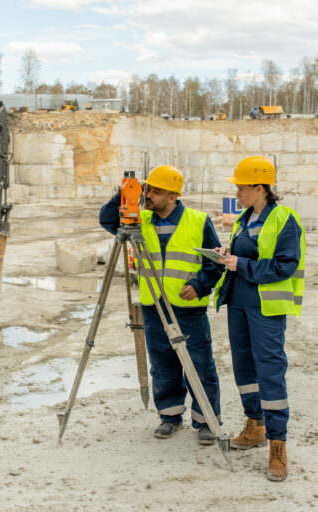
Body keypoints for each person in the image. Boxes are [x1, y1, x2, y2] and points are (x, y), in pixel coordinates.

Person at [99, 165, 223, 445]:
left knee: (200, 366)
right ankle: (170, 417)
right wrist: (125, 192)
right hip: (153, 307)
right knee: (163, 365)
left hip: (188, 309)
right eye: (148, 189)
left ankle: (205, 421)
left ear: (173, 195)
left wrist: (200, 285)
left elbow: (215, 263)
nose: (149, 195)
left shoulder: (198, 220)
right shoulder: (139, 220)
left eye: (156, 191)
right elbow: (107, 220)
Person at [212, 156, 305, 482]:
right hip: (239, 302)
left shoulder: (284, 219)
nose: (237, 193)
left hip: (266, 307)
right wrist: (227, 258)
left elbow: (285, 265)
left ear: (260, 187)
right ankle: (255, 424)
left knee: (270, 370)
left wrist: (243, 265)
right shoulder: (243, 219)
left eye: (241, 187)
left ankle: (277, 444)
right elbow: (244, 256)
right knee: (244, 368)